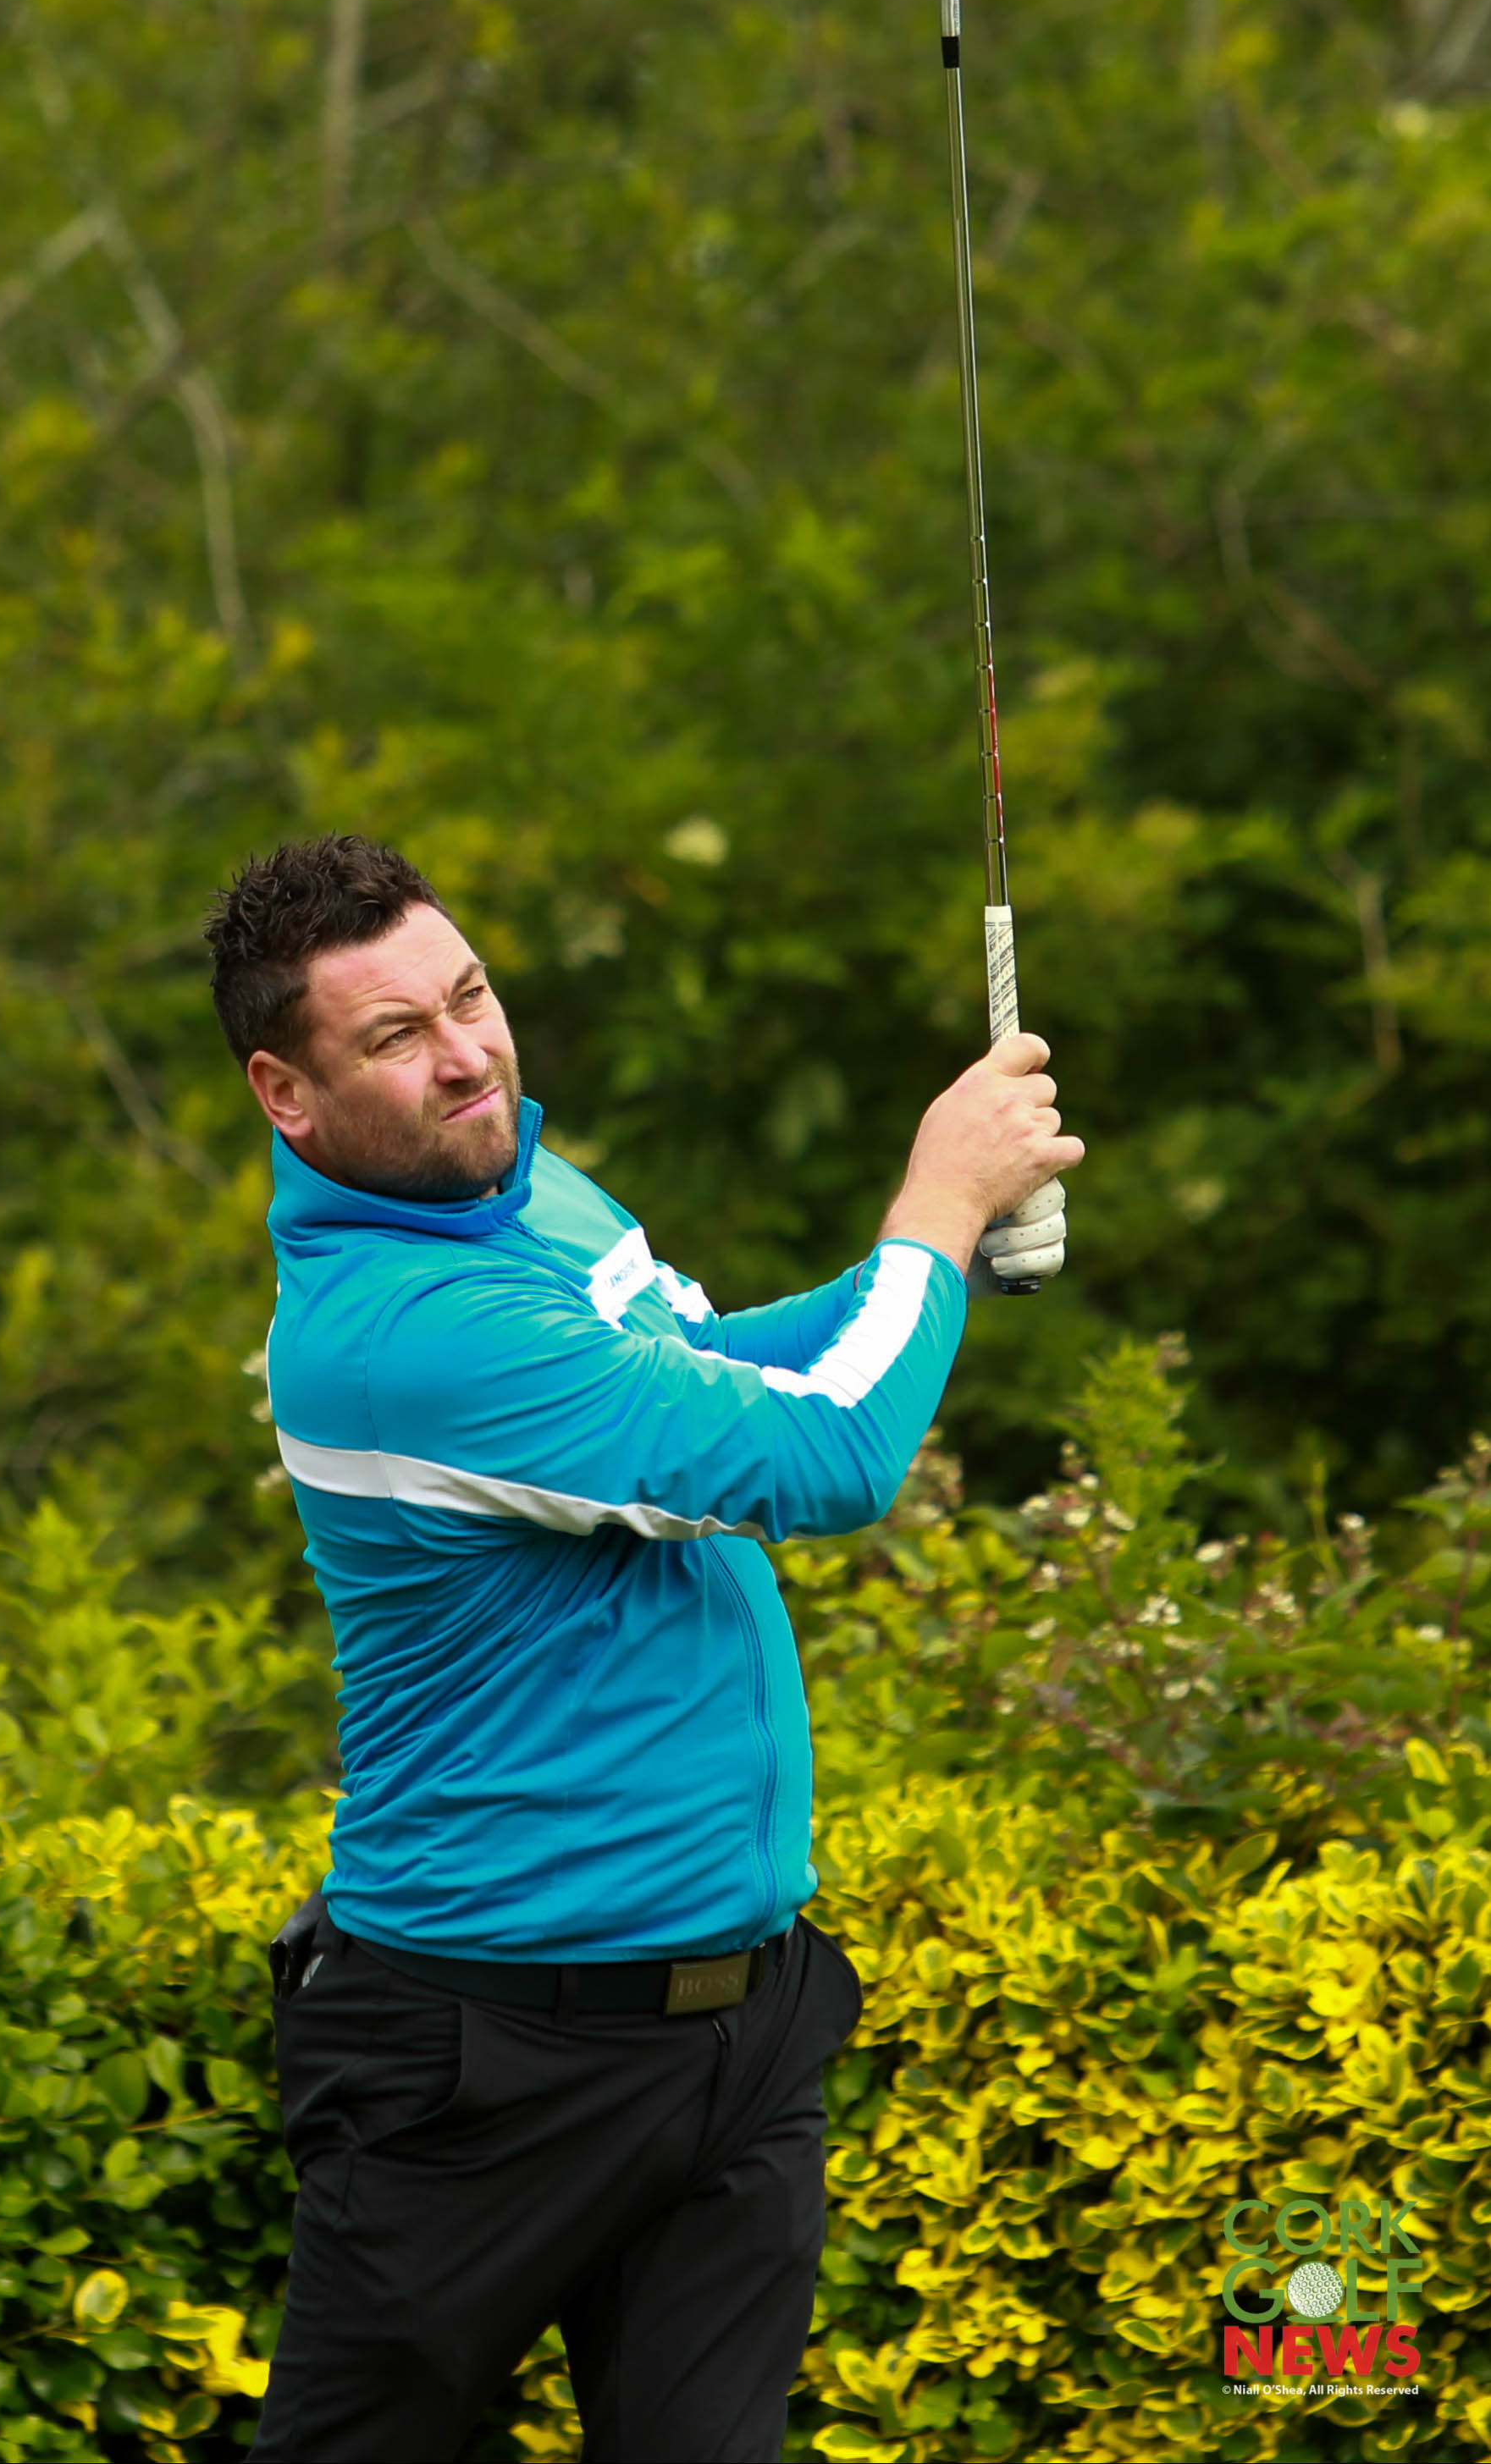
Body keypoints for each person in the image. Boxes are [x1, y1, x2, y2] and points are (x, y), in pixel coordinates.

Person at [203, 833, 1083, 2464]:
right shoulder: (404, 1331)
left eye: (469, 996)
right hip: (485, 2052)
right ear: (287, 1092)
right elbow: (824, 1457)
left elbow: (719, 1383)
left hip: (740, 2026)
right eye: (394, 1036)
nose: (466, 1055)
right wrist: (936, 1206)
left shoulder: (521, 1184)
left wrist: (932, 1258)